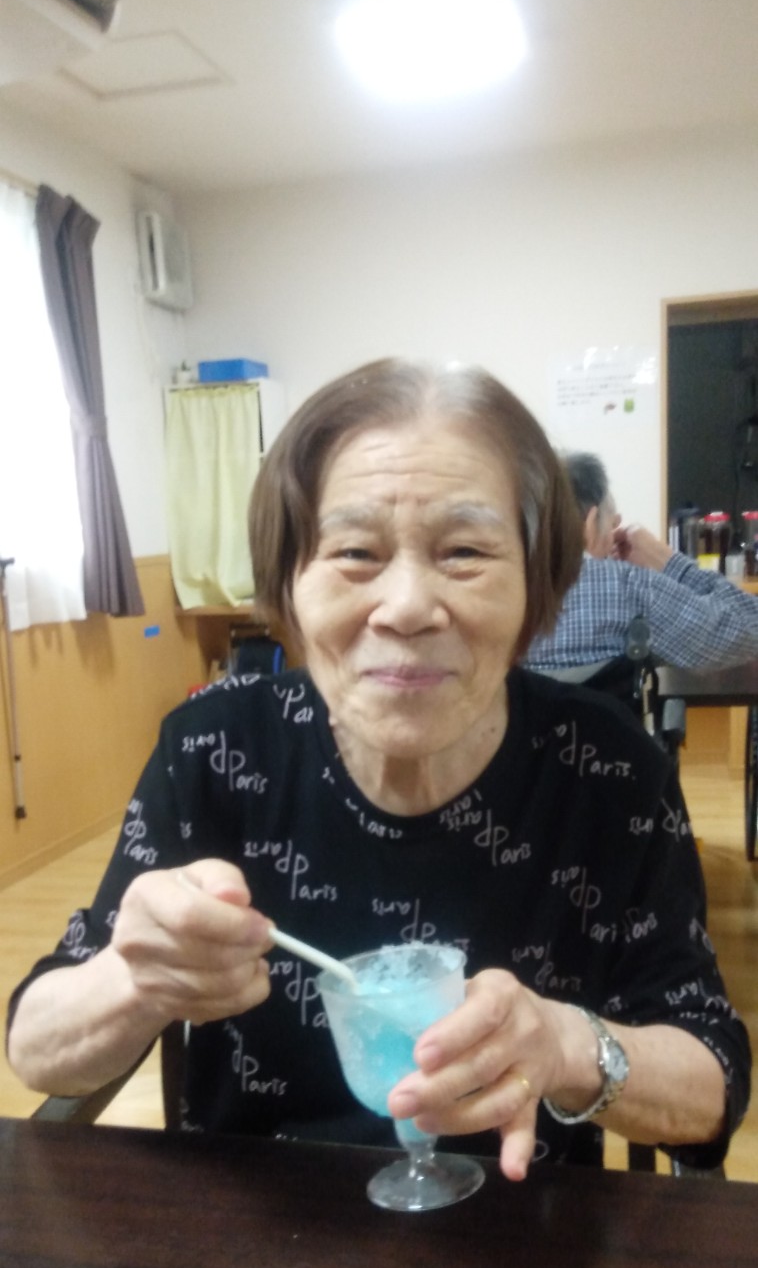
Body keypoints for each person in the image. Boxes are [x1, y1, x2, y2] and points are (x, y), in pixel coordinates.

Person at [6, 361, 751, 1181]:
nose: (406, 608)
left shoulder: (609, 770)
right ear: (288, 588)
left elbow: (711, 1085)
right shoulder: (215, 749)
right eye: (355, 552)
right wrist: (133, 978)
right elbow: (36, 1049)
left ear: (537, 590)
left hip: (520, 1229)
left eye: (464, 552)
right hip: (252, 1231)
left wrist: (568, 1045)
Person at [524, 452, 758, 671]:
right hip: (608, 704)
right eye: (611, 523)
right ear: (590, 522)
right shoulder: (630, 586)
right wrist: (670, 563)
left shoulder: (512, 590)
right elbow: (747, 630)